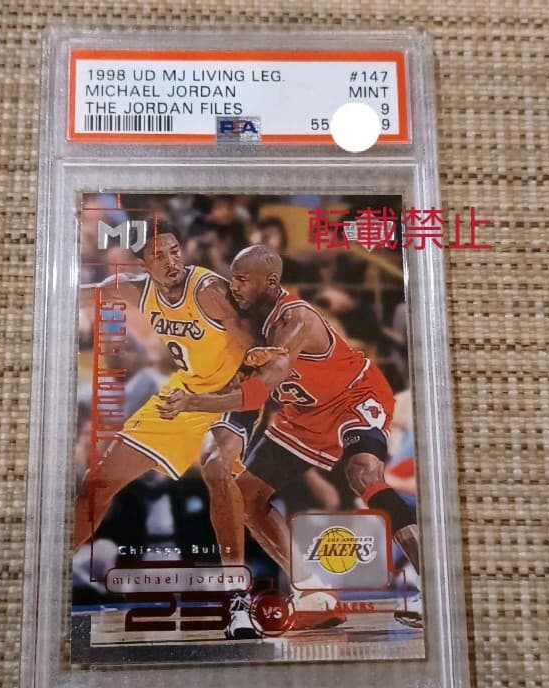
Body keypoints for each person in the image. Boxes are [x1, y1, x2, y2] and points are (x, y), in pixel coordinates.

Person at [160, 245, 421, 634]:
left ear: (271, 282)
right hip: (307, 411)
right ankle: (314, 594)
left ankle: (430, 583)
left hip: (353, 394)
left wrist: (192, 402)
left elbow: (258, 392)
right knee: (247, 496)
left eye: (242, 279)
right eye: (232, 278)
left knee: (363, 474)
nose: (234, 286)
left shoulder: (294, 319)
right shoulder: (243, 318)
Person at [73, 223, 259, 568]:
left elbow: (254, 339)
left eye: (175, 252)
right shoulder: (135, 290)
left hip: (232, 393)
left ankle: (235, 586)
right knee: (97, 481)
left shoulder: (208, 290)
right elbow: (85, 293)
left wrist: (250, 375)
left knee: (217, 471)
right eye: (159, 256)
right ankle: (53, 564)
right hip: (185, 391)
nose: (172, 261)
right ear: (143, 265)